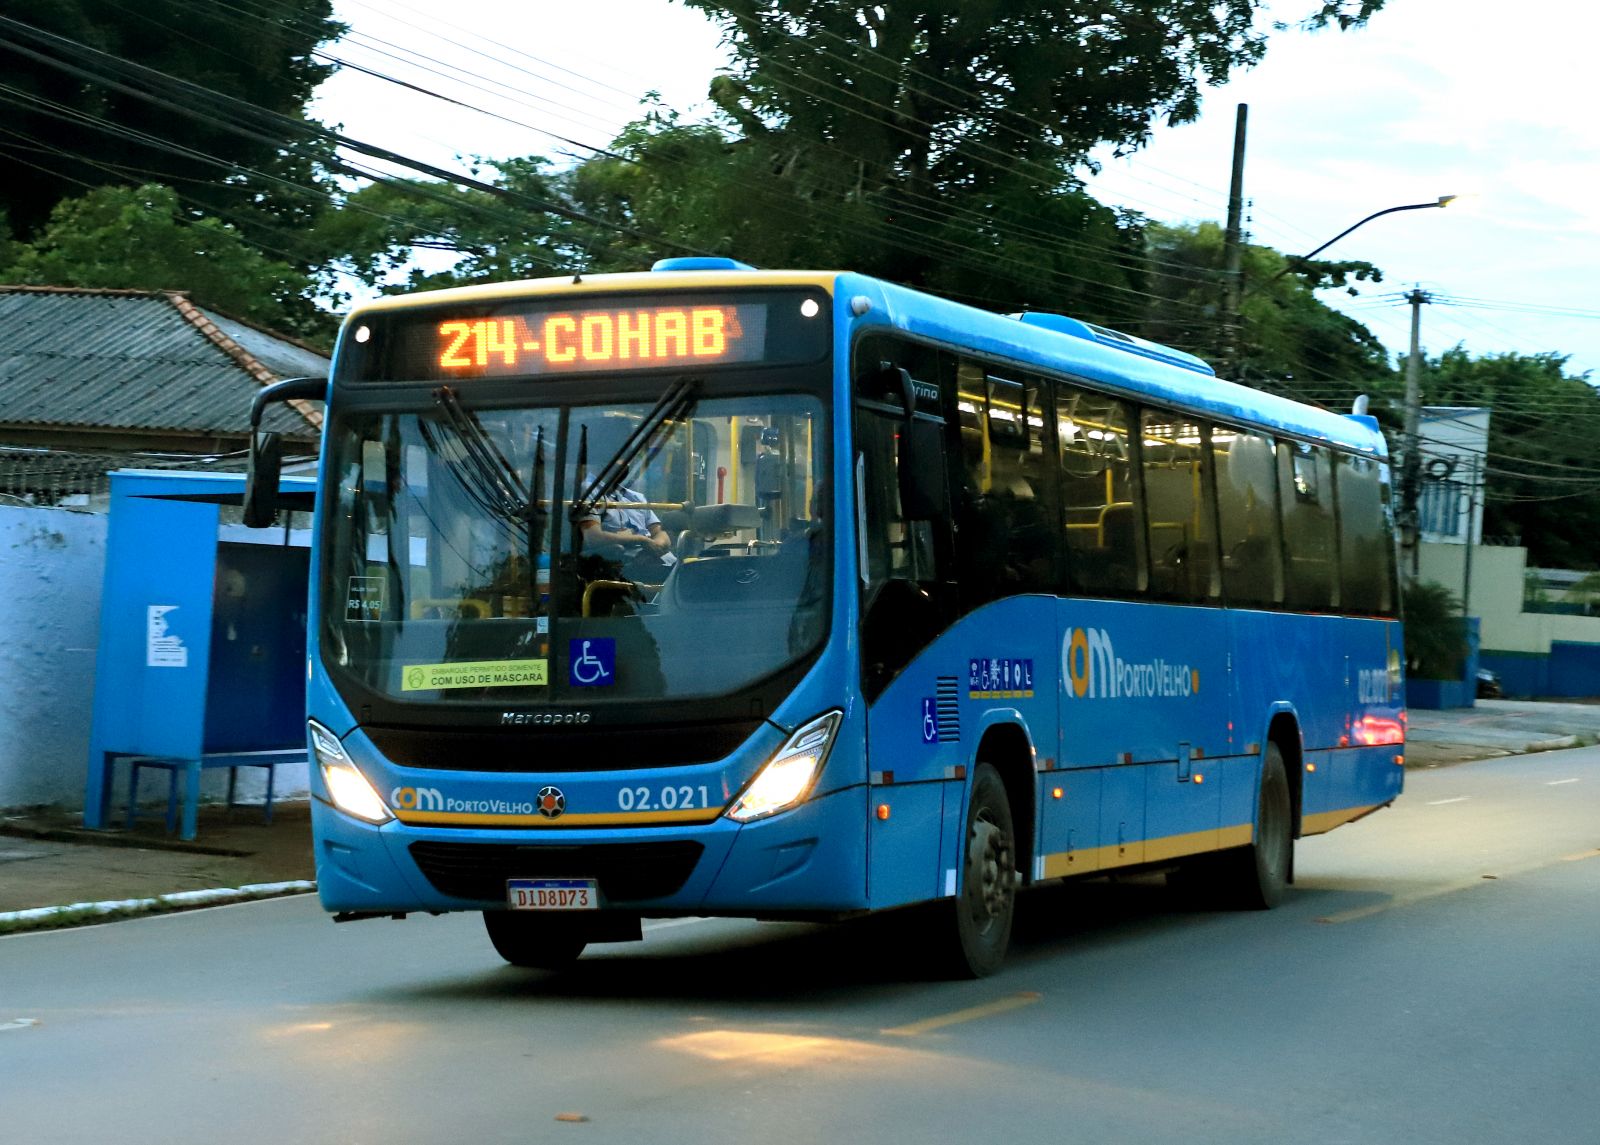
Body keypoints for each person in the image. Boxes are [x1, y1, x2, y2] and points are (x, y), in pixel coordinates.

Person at [577, 466, 678, 583]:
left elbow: (660, 533)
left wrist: (655, 545)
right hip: (621, 558)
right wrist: (640, 540)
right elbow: (593, 537)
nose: (626, 464)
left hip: (651, 554)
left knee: (688, 567)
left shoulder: (635, 496)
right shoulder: (588, 491)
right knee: (679, 578)